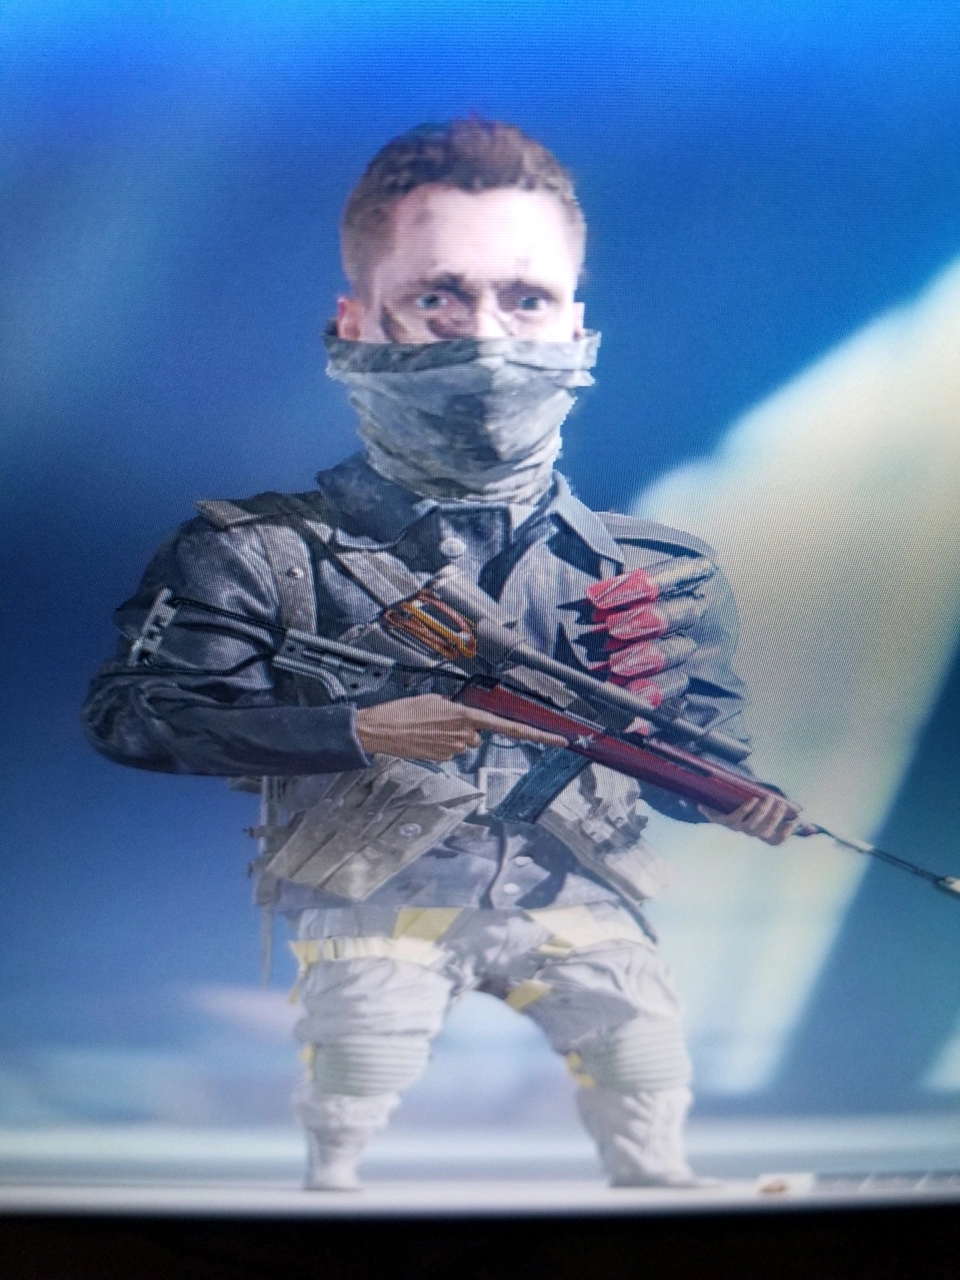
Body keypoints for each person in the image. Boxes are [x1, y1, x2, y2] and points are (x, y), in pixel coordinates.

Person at [83, 118, 796, 1191]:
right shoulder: (259, 555)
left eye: (527, 299)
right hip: (377, 890)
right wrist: (355, 730)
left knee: (645, 1066)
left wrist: (736, 798)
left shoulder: (661, 573)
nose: (487, 341)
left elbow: (692, 752)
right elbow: (136, 715)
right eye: (438, 298)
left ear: (577, 328)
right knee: (356, 1083)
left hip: (572, 889)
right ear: (354, 324)